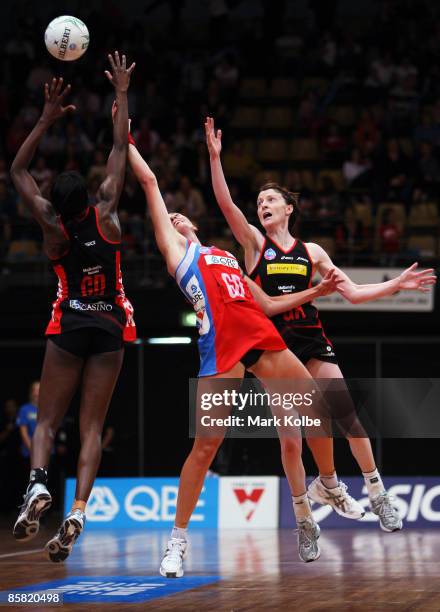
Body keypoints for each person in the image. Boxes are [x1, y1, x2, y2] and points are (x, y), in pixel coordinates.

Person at [126, 126, 344, 574]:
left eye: (182, 218)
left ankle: (326, 486)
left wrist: (316, 291)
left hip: (260, 337)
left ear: (195, 227)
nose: (177, 220)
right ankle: (176, 542)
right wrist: (124, 141)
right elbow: (150, 184)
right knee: (205, 448)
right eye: (171, 220)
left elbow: (265, 303)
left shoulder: (223, 254)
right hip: (220, 351)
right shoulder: (178, 255)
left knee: (317, 407)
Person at [205, 116, 436, 531]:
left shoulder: (311, 251)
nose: (262, 206)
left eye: (269, 201)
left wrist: (397, 284)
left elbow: (353, 293)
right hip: (276, 351)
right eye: (259, 202)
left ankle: (377, 493)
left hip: (311, 343)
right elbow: (225, 206)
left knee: (347, 416)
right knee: (292, 442)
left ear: (288, 208)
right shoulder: (255, 246)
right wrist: (215, 158)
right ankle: (309, 511)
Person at [9, 51, 136, 563]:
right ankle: (78, 509)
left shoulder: (51, 228)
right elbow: (120, 147)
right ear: (90, 194)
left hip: (70, 320)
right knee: (89, 429)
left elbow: (18, 170)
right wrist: (121, 94)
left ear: (55, 204)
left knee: (45, 422)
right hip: (110, 326)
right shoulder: (107, 214)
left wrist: (44, 119)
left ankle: (37, 486)